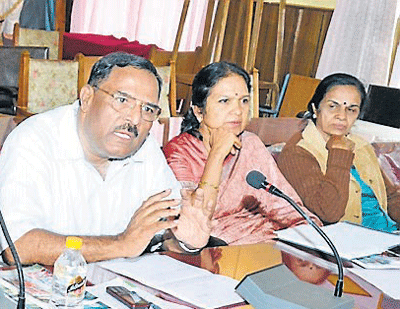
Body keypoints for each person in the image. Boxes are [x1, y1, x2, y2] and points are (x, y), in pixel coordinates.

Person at [0, 52, 207, 266]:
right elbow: (17, 245)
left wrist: (185, 242)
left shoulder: (146, 148)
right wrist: (120, 244)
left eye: (147, 109)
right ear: (87, 98)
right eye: (122, 100)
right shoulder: (35, 139)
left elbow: (161, 237)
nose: (134, 119)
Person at [163, 61, 319, 245]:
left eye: (244, 101)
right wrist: (217, 155)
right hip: (215, 252)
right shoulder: (179, 152)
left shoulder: (249, 143)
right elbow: (191, 226)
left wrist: (313, 236)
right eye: (224, 101)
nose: (238, 111)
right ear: (199, 111)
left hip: (267, 242)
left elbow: (285, 207)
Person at [277, 73, 400, 232]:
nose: (342, 116)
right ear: (315, 108)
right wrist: (338, 153)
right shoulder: (297, 152)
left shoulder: (360, 145)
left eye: (351, 109)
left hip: (387, 236)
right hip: (349, 242)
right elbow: (328, 212)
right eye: (332, 106)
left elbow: (389, 197)